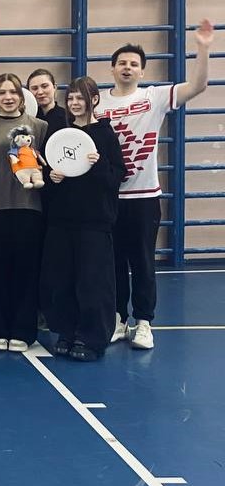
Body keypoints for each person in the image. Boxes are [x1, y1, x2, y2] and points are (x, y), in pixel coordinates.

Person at [95, 20, 214, 350]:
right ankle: (119, 319)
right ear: (112, 68)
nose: (127, 67)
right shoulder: (98, 104)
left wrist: (203, 49)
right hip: (108, 197)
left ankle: (144, 322)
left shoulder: (155, 97)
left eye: (134, 64)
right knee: (113, 263)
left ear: (142, 71)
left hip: (144, 197)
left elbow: (198, 86)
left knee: (143, 262)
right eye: (122, 63)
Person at [41, 77, 124, 361]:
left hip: (94, 222)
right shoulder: (60, 134)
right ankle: (67, 332)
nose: (75, 103)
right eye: (71, 98)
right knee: (62, 280)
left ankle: (92, 338)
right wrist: (51, 177)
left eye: (81, 98)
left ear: (94, 100)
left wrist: (98, 164)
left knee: (93, 282)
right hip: (61, 221)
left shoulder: (105, 134)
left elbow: (116, 177)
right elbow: (48, 173)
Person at [0, 73, 48, 352]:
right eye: (2, 92)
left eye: (13, 92)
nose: (8, 97)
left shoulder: (39, 126)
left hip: (28, 208)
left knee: (25, 272)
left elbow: (48, 163)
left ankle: (22, 331)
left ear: (21, 96)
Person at [27, 68, 68, 135]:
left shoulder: (67, 118)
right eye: (34, 88)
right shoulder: (27, 119)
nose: (40, 92)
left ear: (55, 87)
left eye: (44, 86)